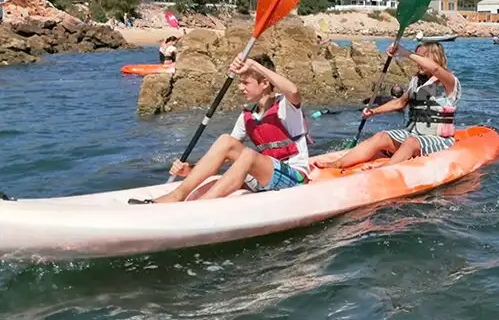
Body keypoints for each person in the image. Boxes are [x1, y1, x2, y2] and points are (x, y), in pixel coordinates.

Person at [129, 53, 311, 204]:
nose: (240, 87)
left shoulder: (286, 107)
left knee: (248, 155)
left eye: (246, 83)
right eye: (240, 82)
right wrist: (191, 169)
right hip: (263, 177)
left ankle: (201, 206)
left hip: (294, 176)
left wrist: (254, 65)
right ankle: (177, 195)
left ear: (264, 83)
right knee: (226, 141)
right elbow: (224, 154)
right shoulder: (247, 116)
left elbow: (293, 91)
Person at [314, 42, 460, 170]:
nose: (417, 62)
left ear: (434, 59)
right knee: (381, 136)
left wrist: (405, 53)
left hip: (439, 140)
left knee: (411, 143)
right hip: (413, 135)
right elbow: (400, 102)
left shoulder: (449, 82)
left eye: (421, 58)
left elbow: (436, 70)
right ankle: (338, 163)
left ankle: (382, 170)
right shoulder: (416, 81)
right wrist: (373, 111)